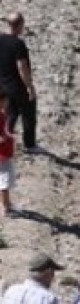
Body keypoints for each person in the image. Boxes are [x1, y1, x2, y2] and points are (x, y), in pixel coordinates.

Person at [0, 13, 37, 153]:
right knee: (28, 112)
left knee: (10, 113)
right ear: (20, 25)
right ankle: (30, 145)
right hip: (17, 86)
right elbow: (22, 67)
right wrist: (30, 87)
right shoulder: (18, 44)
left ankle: (4, 139)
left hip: (2, 85)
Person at [0, 88, 12, 217]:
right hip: (2, 155)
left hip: (5, 153)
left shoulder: (3, 115)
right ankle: (5, 207)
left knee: (5, 180)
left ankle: (7, 203)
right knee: (4, 181)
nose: (8, 102)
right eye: (5, 100)